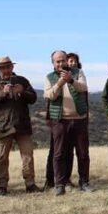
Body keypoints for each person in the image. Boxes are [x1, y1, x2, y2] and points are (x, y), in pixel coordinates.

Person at [0, 56, 39, 195]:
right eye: (3, 67)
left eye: (8, 67)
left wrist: (22, 91)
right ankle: (2, 186)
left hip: (22, 125)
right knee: (2, 157)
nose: (6, 70)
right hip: (2, 126)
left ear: (12, 67)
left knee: (27, 156)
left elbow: (33, 98)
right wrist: (3, 93)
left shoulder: (22, 81)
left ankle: (30, 184)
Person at [44, 50, 91, 195]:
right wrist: (59, 83)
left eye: (63, 60)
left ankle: (84, 182)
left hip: (79, 119)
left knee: (83, 153)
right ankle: (60, 184)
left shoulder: (78, 72)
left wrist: (71, 80)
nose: (61, 63)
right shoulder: (49, 77)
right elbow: (49, 95)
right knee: (59, 154)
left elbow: (83, 88)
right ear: (53, 63)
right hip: (60, 120)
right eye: (57, 61)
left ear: (66, 60)